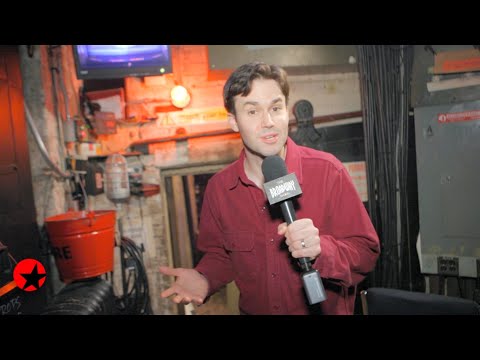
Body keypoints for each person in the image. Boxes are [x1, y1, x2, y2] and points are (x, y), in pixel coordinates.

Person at [159, 62, 380, 315]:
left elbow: (366, 253)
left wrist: (322, 250)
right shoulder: (219, 189)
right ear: (233, 121)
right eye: (252, 112)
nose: (268, 122)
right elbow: (222, 256)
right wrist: (205, 277)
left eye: (276, 108)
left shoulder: (328, 171)